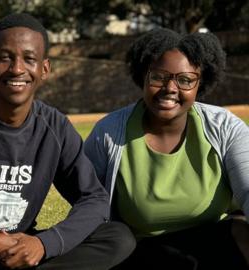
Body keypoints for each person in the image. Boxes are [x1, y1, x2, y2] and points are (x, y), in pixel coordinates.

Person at [0, 13, 135, 269]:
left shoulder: (55, 127)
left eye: (29, 59)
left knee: (117, 238)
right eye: (5, 58)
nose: (17, 69)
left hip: (24, 251)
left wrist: (44, 244)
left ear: (44, 69)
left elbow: (94, 200)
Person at [84, 28, 249, 269]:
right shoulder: (109, 132)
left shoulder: (223, 126)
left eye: (185, 80)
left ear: (199, 84)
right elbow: (85, 200)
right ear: (143, 76)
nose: (170, 88)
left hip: (210, 246)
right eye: (159, 76)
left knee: (242, 231)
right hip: (141, 253)